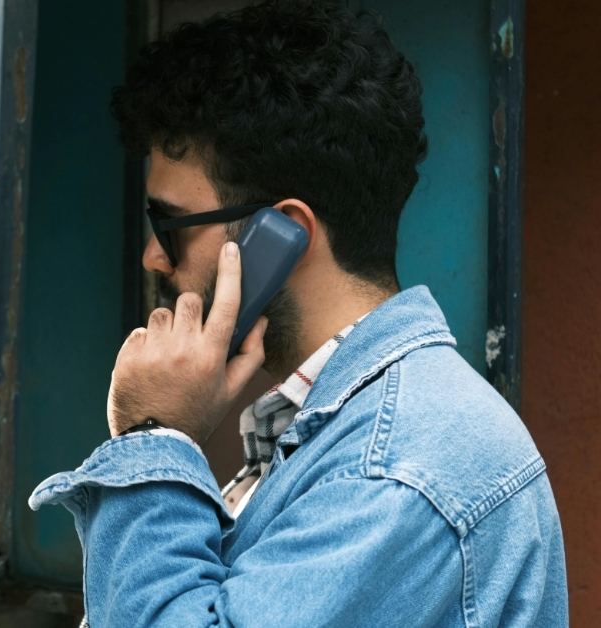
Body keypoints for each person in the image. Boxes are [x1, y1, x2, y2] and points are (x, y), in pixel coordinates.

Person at [28, 2, 568, 626]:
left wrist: (153, 435)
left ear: (282, 234)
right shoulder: (336, 434)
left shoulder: (394, 474)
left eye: (169, 224)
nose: (153, 256)